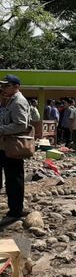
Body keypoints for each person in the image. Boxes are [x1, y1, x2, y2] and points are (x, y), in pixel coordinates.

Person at [0, 75, 31, 219]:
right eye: (3, 86)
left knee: (14, 179)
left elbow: (21, 124)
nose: (3, 88)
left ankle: (16, 210)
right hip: (4, 145)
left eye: (6, 86)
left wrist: (1, 129)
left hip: (12, 146)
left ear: (16, 86)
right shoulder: (10, 100)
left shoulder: (18, 102)